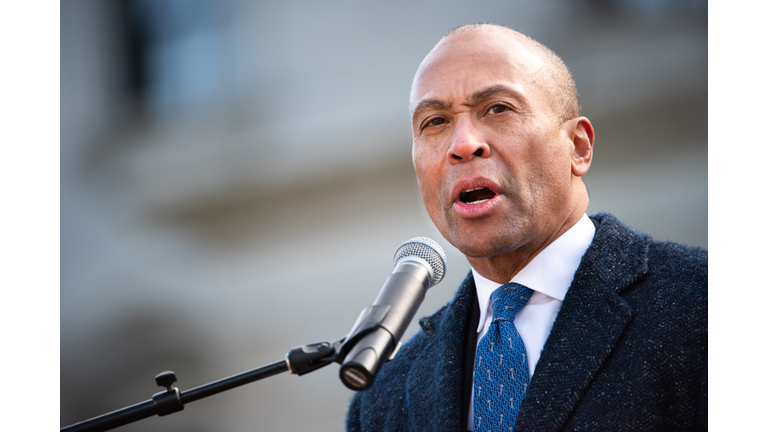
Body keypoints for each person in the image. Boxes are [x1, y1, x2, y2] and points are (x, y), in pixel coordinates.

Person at [345, 23, 706, 432]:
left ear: (578, 147)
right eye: (435, 122)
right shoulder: (382, 398)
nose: (462, 144)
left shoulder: (705, 305)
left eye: (498, 109)